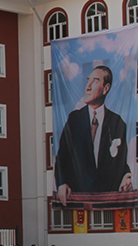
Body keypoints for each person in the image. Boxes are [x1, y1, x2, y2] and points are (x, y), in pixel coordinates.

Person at [54, 65, 133, 206]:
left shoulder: (118, 123)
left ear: (106, 88)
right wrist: (62, 183)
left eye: (95, 81)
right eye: (87, 81)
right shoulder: (74, 119)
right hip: (78, 197)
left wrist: (125, 176)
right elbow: (62, 156)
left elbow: (120, 161)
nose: (88, 87)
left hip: (106, 199)